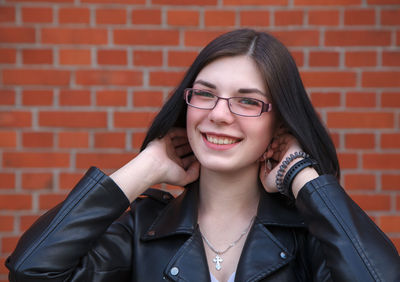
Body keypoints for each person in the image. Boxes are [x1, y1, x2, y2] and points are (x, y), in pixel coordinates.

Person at [6, 29, 400, 282]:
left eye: (247, 101)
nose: (219, 114)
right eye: (206, 94)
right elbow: (32, 271)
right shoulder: (142, 231)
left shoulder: (311, 237)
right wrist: (147, 166)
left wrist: (301, 173)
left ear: (280, 126)